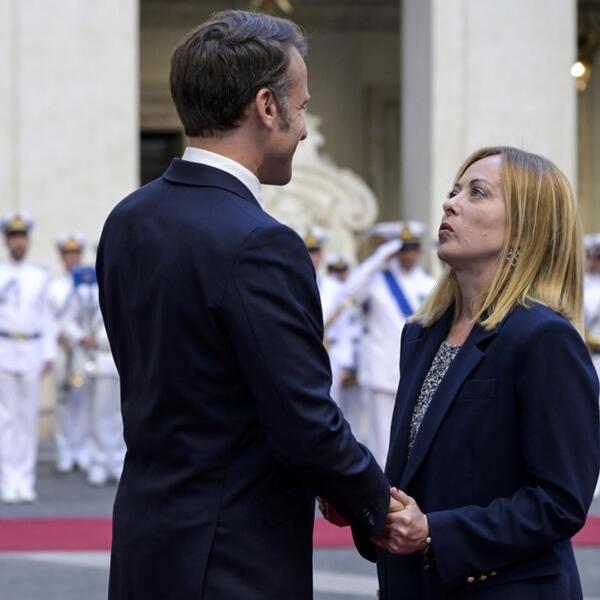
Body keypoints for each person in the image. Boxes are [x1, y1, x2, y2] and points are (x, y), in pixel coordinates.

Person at [96, 10, 393, 600]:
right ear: (266, 107)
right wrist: (378, 504)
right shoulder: (261, 243)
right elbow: (303, 421)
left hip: (145, 543)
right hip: (231, 559)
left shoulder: (127, 220)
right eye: (301, 108)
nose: (303, 130)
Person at [328, 146, 600, 598]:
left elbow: (560, 502)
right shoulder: (421, 334)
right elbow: (418, 478)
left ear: (524, 227)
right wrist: (364, 506)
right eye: (455, 190)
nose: (449, 203)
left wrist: (435, 531)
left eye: (477, 193)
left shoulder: (542, 337)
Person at [328, 220, 436, 466]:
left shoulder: (429, 284)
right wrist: (380, 257)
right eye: (403, 248)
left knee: (413, 441)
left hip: (414, 372)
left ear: (420, 250)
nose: (408, 254)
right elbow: (350, 292)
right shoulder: (377, 282)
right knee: (382, 441)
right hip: (381, 373)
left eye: (412, 248)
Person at [0, 212, 56, 502]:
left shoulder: (39, 276)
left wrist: (49, 353)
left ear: (28, 240)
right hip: (4, 349)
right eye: (13, 237)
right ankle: (8, 479)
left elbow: (47, 317)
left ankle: (25, 479)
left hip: (32, 350)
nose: (18, 242)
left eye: (21, 237)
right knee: (6, 418)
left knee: (27, 417)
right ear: (6, 241)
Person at [61, 262, 125, 486]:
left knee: (121, 414)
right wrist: (80, 337)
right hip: (98, 356)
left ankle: (118, 460)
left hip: (122, 357)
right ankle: (99, 461)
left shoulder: (128, 285)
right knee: (99, 414)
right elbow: (67, 321)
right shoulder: (86, 290)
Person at [48, 232, 92, 474]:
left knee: (82, 400)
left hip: (82, 352)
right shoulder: (54, 286)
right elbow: (46, 317)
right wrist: (58, 333)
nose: (72, 258)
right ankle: (65, 451)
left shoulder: (88, 285)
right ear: (61, 256)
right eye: (68, 254)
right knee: (63, 401)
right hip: (61, 351)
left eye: (75, 253)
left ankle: (82, 451)